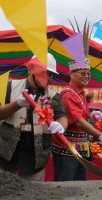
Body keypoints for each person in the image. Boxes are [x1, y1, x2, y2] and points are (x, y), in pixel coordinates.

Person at [51, 23, 102, 181]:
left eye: (88, 74)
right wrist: (101, 136)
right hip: (68, 149)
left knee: (79, 186)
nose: (87, 76)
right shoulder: (68, 94)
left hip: (81, 147)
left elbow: (81, 115)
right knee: (66, 186)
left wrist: (91, 114)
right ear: (71, 74)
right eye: (82, 73)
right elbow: (77, 121)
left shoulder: (81, 94)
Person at [0, 53, 68, 181]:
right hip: (6, 152)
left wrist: (60, 126)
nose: (48, 77)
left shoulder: (53, 96)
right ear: (30, 69)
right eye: (44, 72)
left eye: (50, 74)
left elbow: (62, 117)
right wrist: (17, 104)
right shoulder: (10, 87)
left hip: (36, 156)